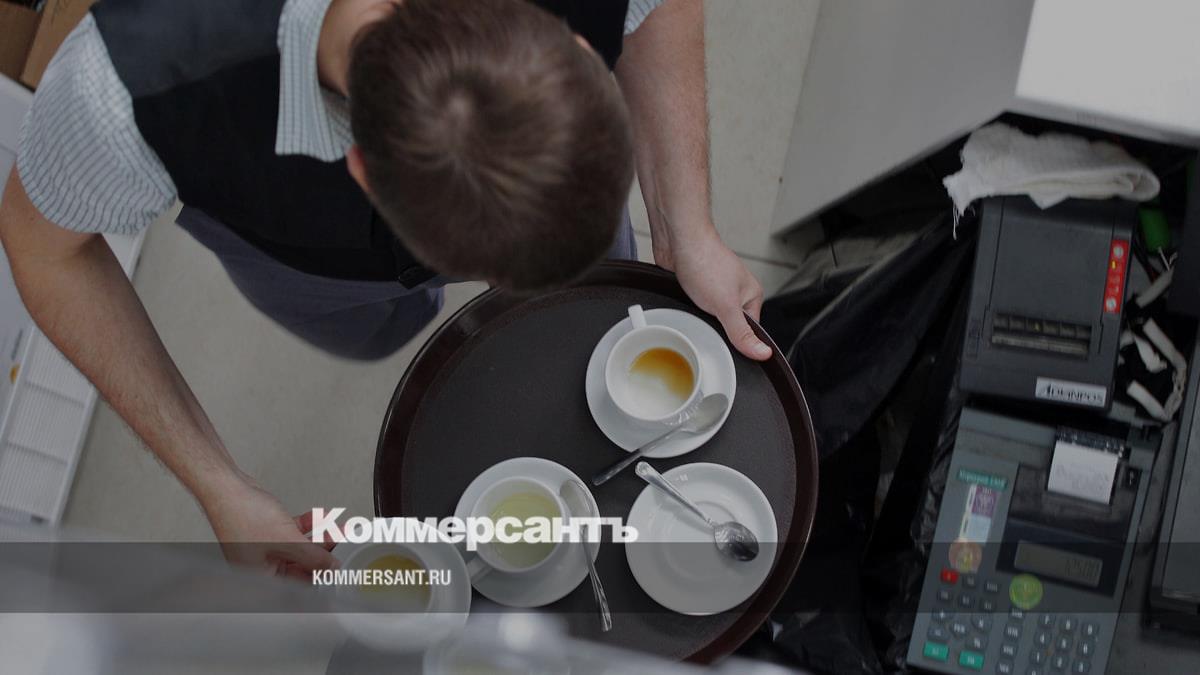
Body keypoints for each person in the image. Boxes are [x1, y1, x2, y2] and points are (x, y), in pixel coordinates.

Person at [0, 0, 769, 576]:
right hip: (305, 261)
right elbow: (45, 253)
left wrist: (685, 226)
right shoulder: (127, 95)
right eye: (497, 273)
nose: (510, 294)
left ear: (573, 43)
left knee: (582, 322)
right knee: (373, 332)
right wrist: (219, 484)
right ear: (362, 171)